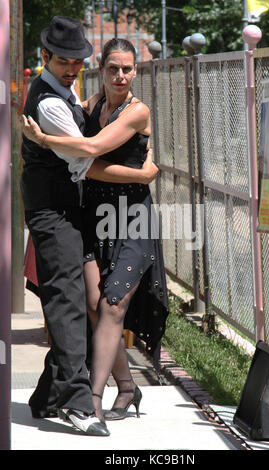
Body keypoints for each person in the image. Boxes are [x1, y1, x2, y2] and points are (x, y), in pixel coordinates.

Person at [21, 16, 157, 436]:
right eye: (65, 60)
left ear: (136, 71)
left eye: (127, 68)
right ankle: (107, 390)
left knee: (106, 305)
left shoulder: (126, 108)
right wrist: (142, 172)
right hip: (86, 214)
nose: (72, 67)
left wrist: (144, 177)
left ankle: (85, 400)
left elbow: (92, 151)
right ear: (45, 57)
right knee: (85, 304)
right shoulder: (75, 103)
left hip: (129, 217)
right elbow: (86, 155)